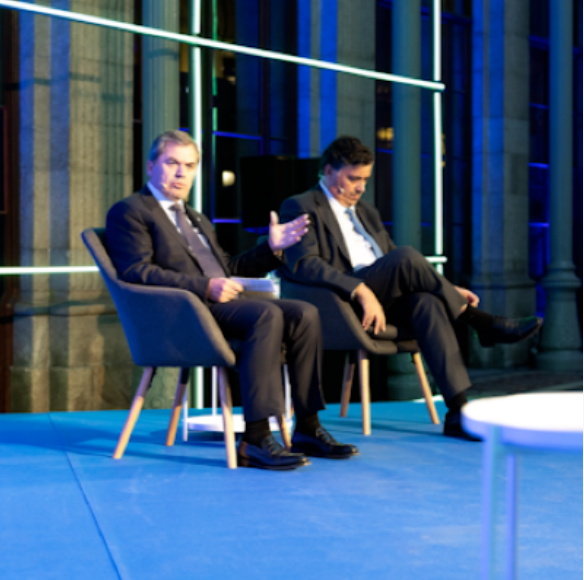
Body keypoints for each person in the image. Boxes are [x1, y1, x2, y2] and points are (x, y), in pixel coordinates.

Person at [106, 130, 358, 470]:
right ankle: (255, 438)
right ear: (151, 166)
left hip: (220, 306)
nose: (181, 173)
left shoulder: (195, 217)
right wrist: (205, 287)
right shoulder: (130, 211)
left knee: (304, 313)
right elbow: (137, 271)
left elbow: (229, 269)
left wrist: (271, 248)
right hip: (183, 315)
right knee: (266, 315)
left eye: (189, 166)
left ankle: (308, 427)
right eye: (172, 163)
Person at [279, 136, 542, 440]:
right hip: (344, 301)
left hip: (382, 294)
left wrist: (447, 289)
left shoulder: (366, 211)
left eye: (365, 179)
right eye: (353, 179)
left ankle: (458, 412)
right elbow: (306, 264)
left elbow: (392, 261)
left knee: (427, 303)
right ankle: (481, 322)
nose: (361, 187)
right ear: (328, 171)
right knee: (406, 256)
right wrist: (360, 289)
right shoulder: (300, 206)